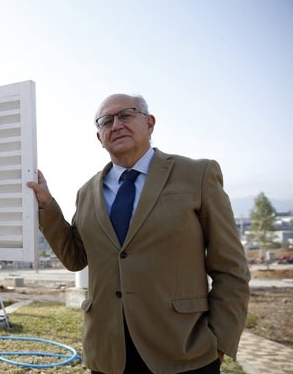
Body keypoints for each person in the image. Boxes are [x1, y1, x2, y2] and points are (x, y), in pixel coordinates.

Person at [27, 94, 250, 374]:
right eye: (106, 121)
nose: (116, 125)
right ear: (100, 137)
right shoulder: (87, 193)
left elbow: (230, 268)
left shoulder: (197, 175)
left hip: (183, 350)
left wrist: (219, 342)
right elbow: (75, 258)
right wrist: (47, 205)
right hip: (108, 352)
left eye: (126, 115)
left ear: (150, 123)